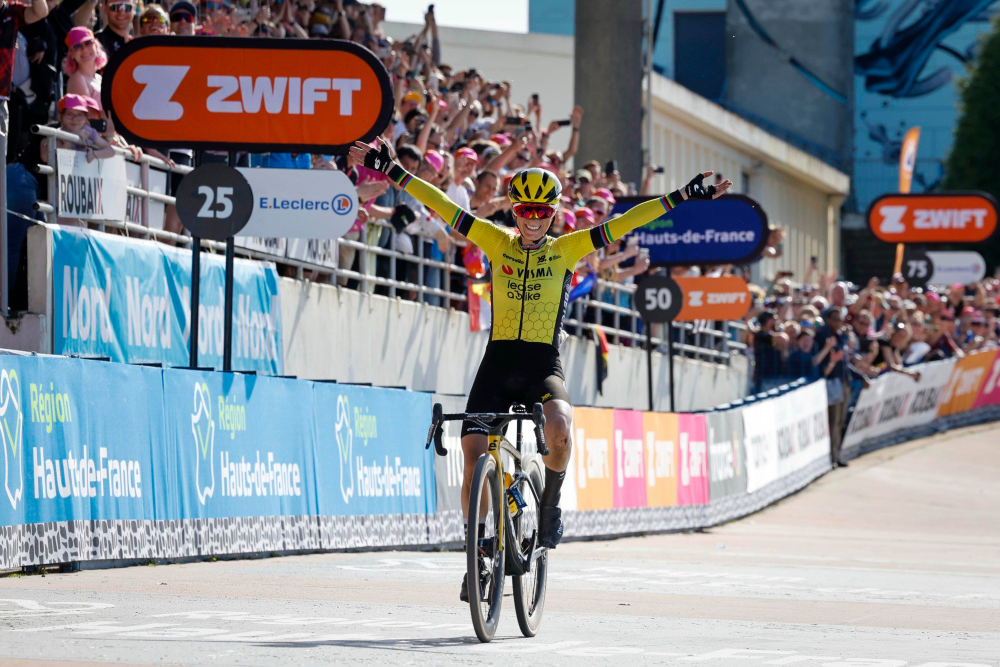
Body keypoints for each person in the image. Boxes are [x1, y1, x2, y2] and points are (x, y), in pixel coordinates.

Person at [350, 136, 732, 600]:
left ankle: (550, 504)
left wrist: (683, 196)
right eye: (524, 209)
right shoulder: (495, 240)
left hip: (542, 365)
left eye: (541, 211)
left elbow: (626, 221)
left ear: (553, 213)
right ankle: (478, 550)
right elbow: (443, 206)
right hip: (497, 364)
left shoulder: (567, 249)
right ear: (514, 211)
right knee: (472, 457)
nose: (532, 218)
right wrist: (393, 171)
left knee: (561, 429)